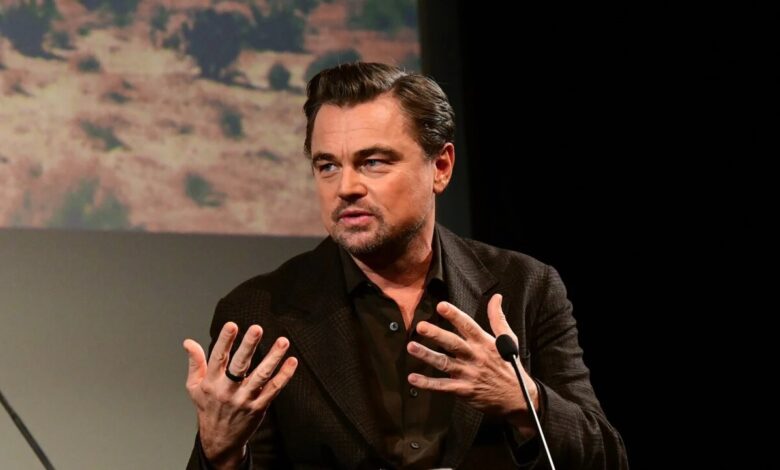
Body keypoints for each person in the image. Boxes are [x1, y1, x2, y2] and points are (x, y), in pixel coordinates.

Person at [184, 62, 628, 469]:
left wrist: (522, 399)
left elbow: (606, 459)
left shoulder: (526, 287)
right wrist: (219, 453)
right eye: (327, 166)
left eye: (373, 162)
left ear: (441, 167)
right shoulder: (259, 312)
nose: (346, 187)